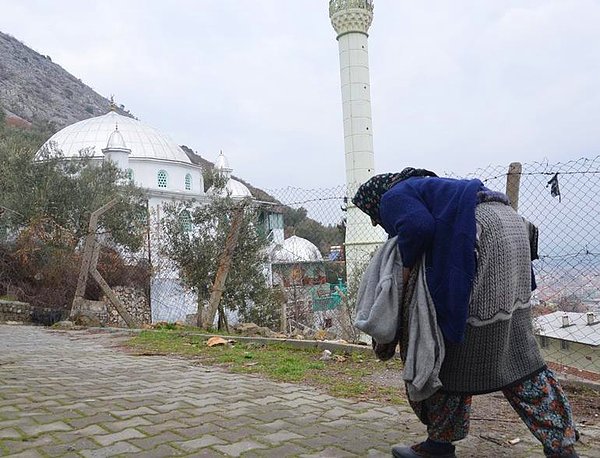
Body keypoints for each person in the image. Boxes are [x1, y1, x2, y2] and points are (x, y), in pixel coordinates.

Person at [352, 168, 579, 458]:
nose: (376, 221)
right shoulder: (430, 187)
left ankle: (439, 447)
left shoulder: (391, 195)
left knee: (447, 349)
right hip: (512, 228)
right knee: (518, 353)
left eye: (372, 215)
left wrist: (403, 275)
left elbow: (418, 227)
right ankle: (562, 444)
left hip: (479, 235)